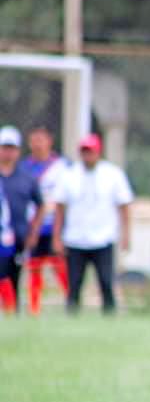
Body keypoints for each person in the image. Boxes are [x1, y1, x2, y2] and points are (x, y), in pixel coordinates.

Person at [52, 133, 134, 314]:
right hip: (75, 239)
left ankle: (110, 315)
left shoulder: (113, 174)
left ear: (99, 152)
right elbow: (59, 209)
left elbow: (124, 206)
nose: (87, 156)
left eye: (91, 152)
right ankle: (71, 315)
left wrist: (126, 235)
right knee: (74, 283)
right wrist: (56, 237)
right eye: (84, 152)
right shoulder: (69, 175)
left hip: (103, 238)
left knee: (106, 281)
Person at [19, 125, 70, 315]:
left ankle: (71, 303)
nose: (37, 144)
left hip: (55, 226)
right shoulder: (24, 167)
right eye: (34, 140)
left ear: (50, 140)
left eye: (41, 139)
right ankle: (34, 309)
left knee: (61, 268)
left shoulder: (62, 166)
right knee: (34, 269)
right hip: (33, 227)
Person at [0, 125, 44, 313]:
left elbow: (41, 205)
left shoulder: (27, 177)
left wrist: (33, 232)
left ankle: (12, 313)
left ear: (18, 151)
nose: (8, 152)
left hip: (18, 237)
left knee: (13, 278)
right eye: (4, 147)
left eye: (12, 148)